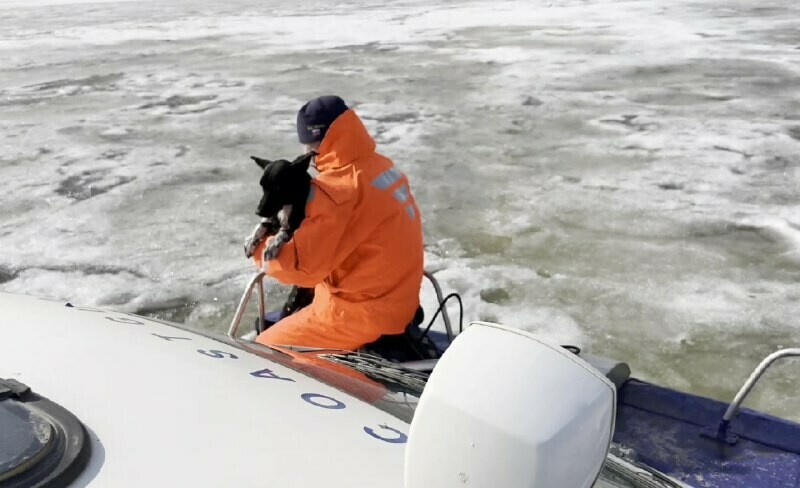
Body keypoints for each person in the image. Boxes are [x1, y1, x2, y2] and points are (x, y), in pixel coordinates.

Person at [250, 95, 424, 351]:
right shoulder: (382, 165)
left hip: (360, 313)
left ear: (313, 143)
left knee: (264, 348)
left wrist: (258, 247)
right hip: (401, 299)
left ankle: (346, 381)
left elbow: (302, 269)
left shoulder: (335, 192)